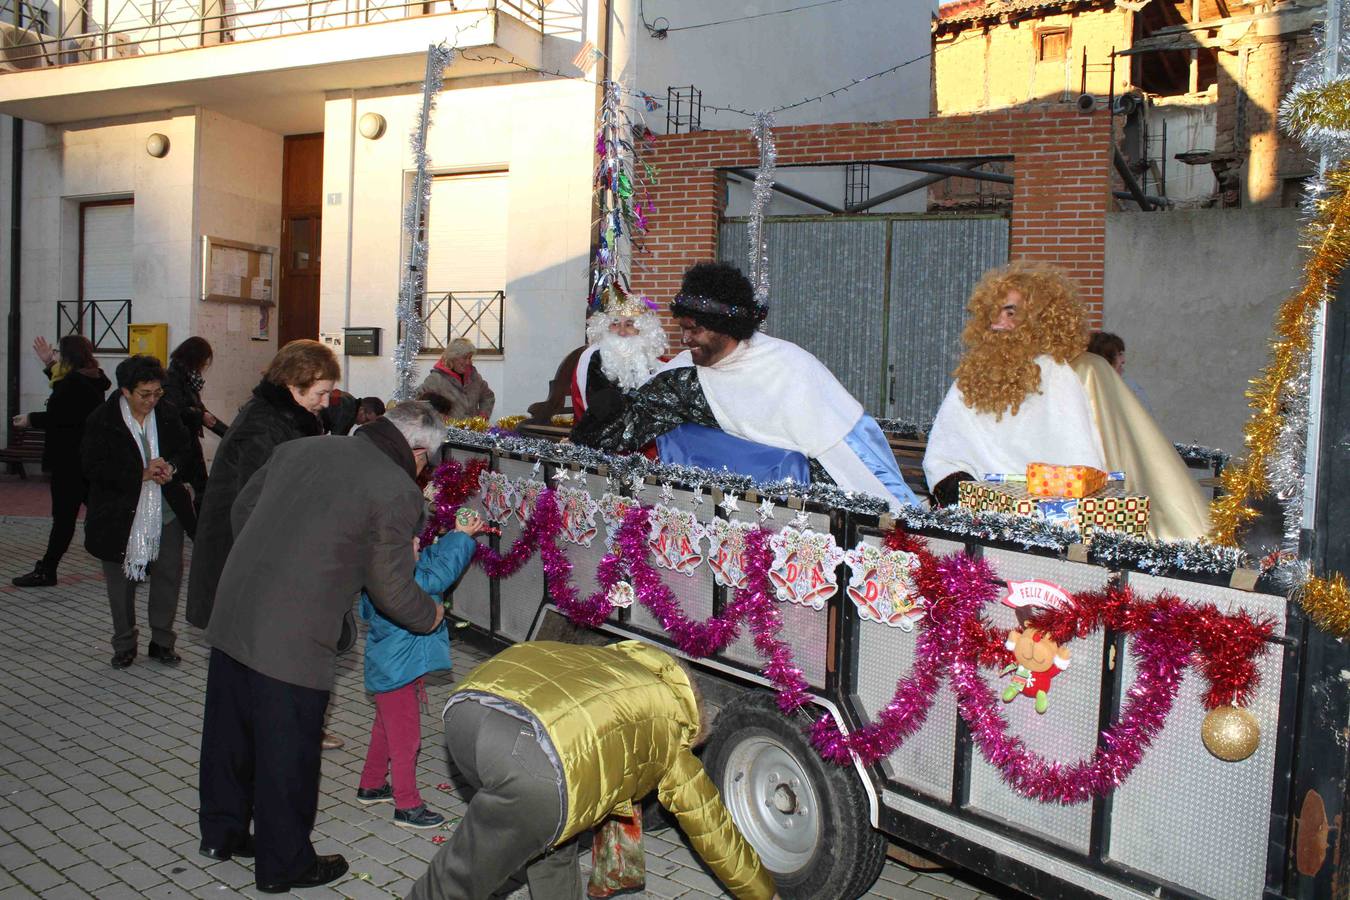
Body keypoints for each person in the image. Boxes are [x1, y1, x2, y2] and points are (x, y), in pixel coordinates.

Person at [198, 401, 450, 894]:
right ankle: (285, 865)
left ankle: (221, 834)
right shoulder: (396, 489)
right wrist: (433, 615)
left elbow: (242, 509)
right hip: (290, 637)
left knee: (230, 735)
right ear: (418, 453)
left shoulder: (301, 447)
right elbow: (392, 590)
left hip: (234, 609)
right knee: (287, 751)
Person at [408, 640, 776, 900]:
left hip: (467, 709)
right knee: (456, 883)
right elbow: (713, 829)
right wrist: (765, 895)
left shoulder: (612, 666)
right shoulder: (673, 732)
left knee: (554, 838)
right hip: (533, 758)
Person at [589, 262, 919, 511]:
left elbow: (850, 446)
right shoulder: (685, 379)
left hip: (809, 517)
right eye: (683, 328)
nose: (686, 339)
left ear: (727, 327)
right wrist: (597, 419)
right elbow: (629, 427)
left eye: (696, 329)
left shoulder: (790, 367)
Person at [923, 262, 1210, 540]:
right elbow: (944, 454)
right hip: (979, 520)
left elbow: (1078, 464)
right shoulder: (970, 377)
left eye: (1011, 314)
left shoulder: (1062, 375)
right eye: (993, 314)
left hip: (1050, 522)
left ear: (1038, 319)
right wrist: (963, 493)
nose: (998, 324)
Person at [185, 339, 338, 630]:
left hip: (254, 561)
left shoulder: (287, 419)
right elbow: (257, 508)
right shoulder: (264, 426)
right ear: (293, 384)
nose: (326, 402)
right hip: (244, 561)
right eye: (322, 393)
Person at [356, 512, 485, 830]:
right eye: (411, 541)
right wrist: (462, 538)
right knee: (406, 739)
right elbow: (437, 575)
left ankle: (372, 785)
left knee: (385, 729)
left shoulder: (388, 574)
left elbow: (429, 560)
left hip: (393, 668)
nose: (419, 543)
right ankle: (407, 805)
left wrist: (456, 533)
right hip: (397, 671)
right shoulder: (408, 583)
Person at [81, 355, 195, 669]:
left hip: (166, 512)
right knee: (120, 584)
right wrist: (140, 473)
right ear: (125, 391)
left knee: (168, 577)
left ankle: (162, 642)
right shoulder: (102, 420)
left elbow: (187, 450)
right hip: (119, 516)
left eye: (158, 393)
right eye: (145, 394)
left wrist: (170, 467)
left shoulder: (168, 414)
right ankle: (124, 643)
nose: (152, 400)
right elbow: (92, 467)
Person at [10, 335, 110, 588]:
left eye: (59, 353)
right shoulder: (93, 379)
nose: (56, 356)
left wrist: (30, 419)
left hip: (69, 462)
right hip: (87, 459)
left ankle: (47, 570)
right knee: (102, 511)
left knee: (65, 519)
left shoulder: (73, 384)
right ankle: (138, 560)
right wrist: (48, 363)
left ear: (68, 357)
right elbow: (67, 391)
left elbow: (59, 414)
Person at [570, 291, 666, 447]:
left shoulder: (651, 359)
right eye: (615, 324)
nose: (622, 332)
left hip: (646, 437)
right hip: (604, 440)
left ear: (641, 329)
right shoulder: (595, 357)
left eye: (629, 324)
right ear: (605, 327)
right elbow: (602, 407)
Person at [163, 336, 229, 511]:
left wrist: (229, 433)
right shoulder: (173, 379)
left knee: (199, 489)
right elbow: (178, 409)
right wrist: (200, 415)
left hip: (188, 440)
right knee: (195, 489)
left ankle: (198, 528)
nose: (205, 366)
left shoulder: (187, 378)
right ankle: (198, 529)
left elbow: (201, 411)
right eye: (204, 361)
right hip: (180, 442)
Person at [418, 338, 495, 420]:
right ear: (452, 357)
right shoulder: (436, 379)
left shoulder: (474, 377)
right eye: (465, 358)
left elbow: (488, 396)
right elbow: (419, 401)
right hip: (449, 431)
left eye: (470, 358)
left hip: (473, 431)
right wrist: (439, 418)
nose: (468, 362)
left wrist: (483, 416)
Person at [1087, 331, 1151, 411]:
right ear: (1105, 359)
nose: (1123, 360)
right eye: (1119, 354)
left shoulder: (1131, 389)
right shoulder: (1085, 389)